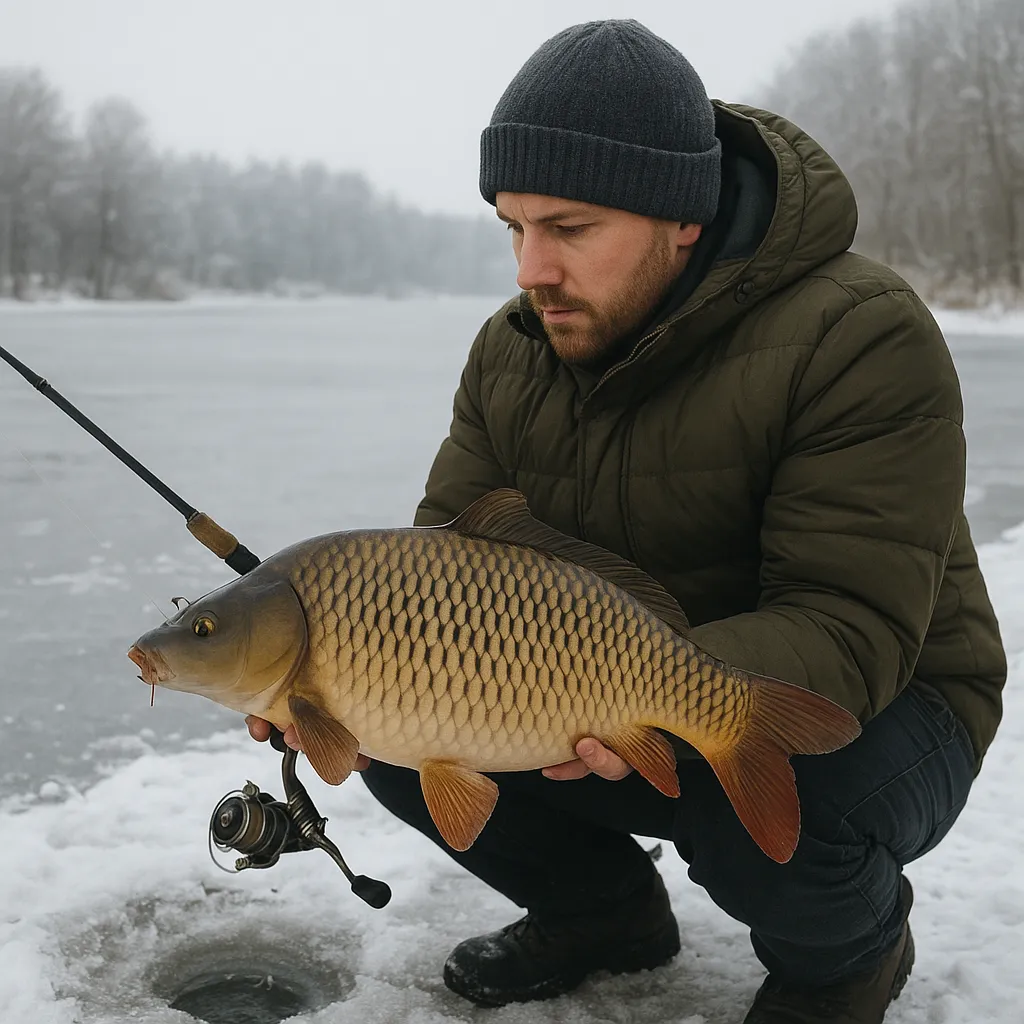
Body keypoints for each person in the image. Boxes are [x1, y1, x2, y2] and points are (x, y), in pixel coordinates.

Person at [247, 19, 1007, 1023]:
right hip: (618, 691)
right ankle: (605, 915)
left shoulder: (855, 333)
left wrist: (649, 691)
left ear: (681, 217)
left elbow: (848, 622)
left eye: (566, 229)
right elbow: (449, 562)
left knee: (766, 799)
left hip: (890, 703)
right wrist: (330, 672)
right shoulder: (513, 350)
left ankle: (850, 953)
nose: (530, 269)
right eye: (512, 227)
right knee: (394, 729)